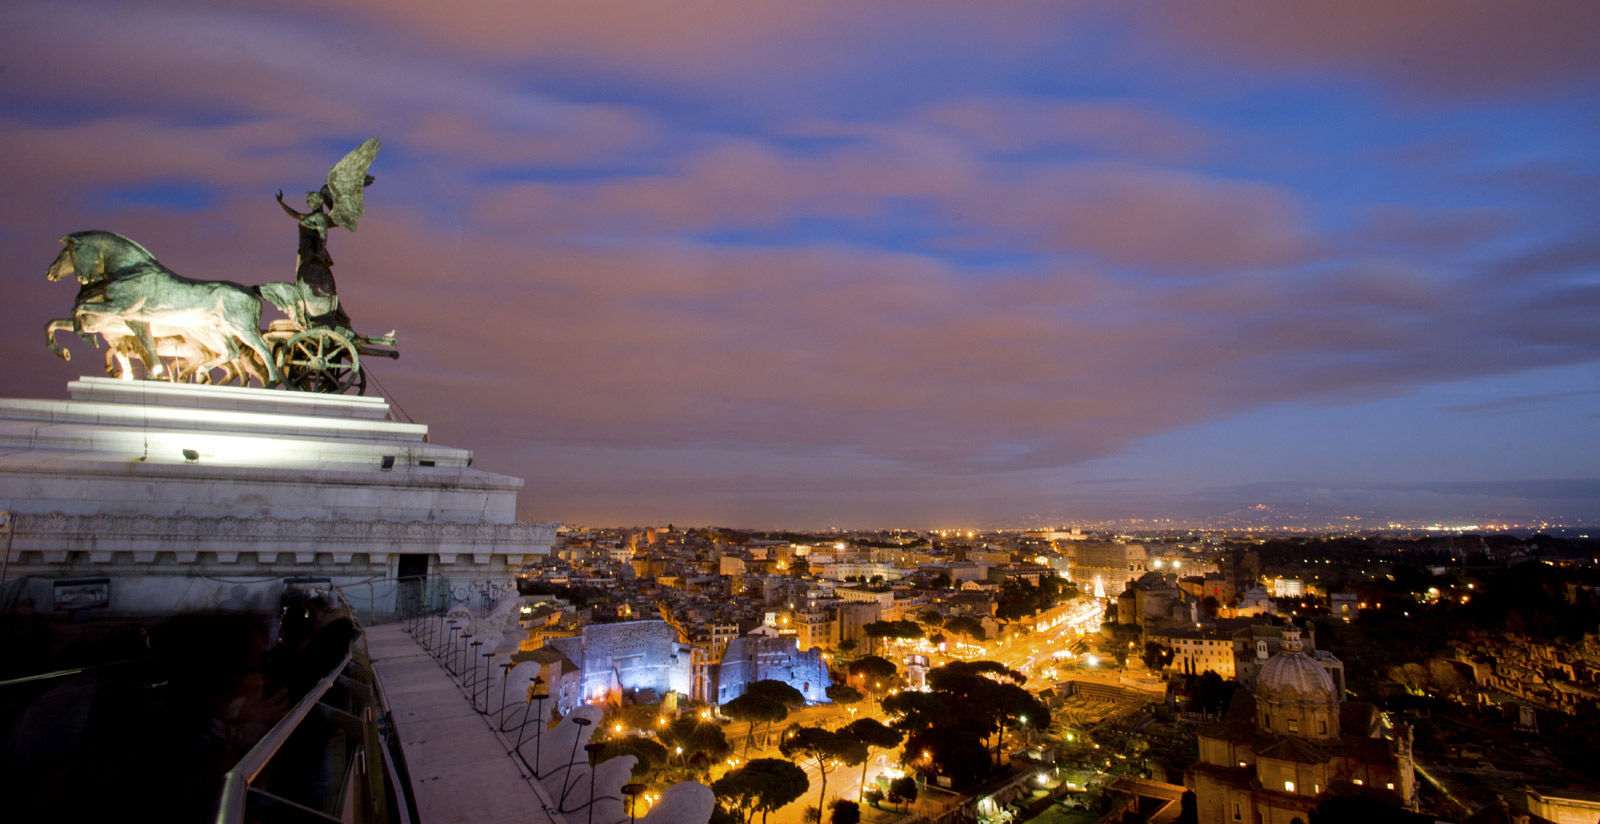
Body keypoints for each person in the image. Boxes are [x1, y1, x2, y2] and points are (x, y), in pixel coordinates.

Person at [276, 187, 352, 329]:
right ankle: (302, 311)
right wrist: (281, 203)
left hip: (311, 254)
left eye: (311, 200)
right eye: (308, 201)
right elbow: (295, 214)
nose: (308, 203)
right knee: (299, 284)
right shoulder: (310, 217)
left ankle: (326, 312)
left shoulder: (319, 218)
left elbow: (323, 236)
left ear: (318, 201)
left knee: (308, 283)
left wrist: (320, 252)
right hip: (303, 253)